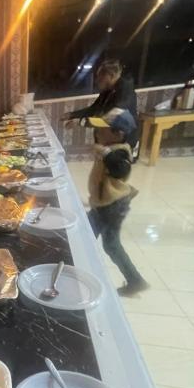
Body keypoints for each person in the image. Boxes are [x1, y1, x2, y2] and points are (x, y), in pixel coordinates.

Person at [87, 111, 149, 296]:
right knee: (88, 235)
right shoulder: (110, 145)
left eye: (102, 129)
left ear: (118, 133)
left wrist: (105, 152)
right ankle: (134, 280)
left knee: (107, 244)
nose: (98, 132)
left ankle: (135, 280)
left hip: (113, 206)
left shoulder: (120, 151)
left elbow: (120, 169)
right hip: (104, 204)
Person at [63, 59, 139, 155]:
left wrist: (79, 121)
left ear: (111, 76)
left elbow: (110, 118)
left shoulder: (125, 90)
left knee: (114, 168)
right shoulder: (108, 90)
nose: (97, 80)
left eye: (100, 77)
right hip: (108, 139)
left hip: (123, 141)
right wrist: (72, 115)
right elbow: (94, 109)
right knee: (102, 165)